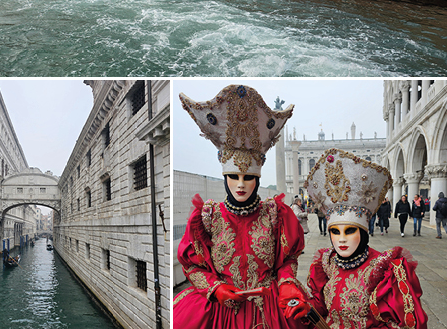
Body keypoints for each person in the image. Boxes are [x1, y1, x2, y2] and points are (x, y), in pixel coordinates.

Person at [174, 85, 306, 329]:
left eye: (248, 177)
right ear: (225, 178)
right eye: (234, 176)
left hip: (270, 309)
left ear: (257, 179)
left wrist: (287, 283)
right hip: (223, 311)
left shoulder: (275, 214)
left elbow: (288, 260)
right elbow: (192, 264)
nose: (241, 184)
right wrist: (215, 288)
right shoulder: (208, 217)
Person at [280, 149, 428, 328]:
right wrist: (308, 309)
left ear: (363, 232)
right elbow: (322, 307)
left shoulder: (384, 270)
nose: (341, 239)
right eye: (335, 232)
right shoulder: (327, 264)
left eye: (349, 231)